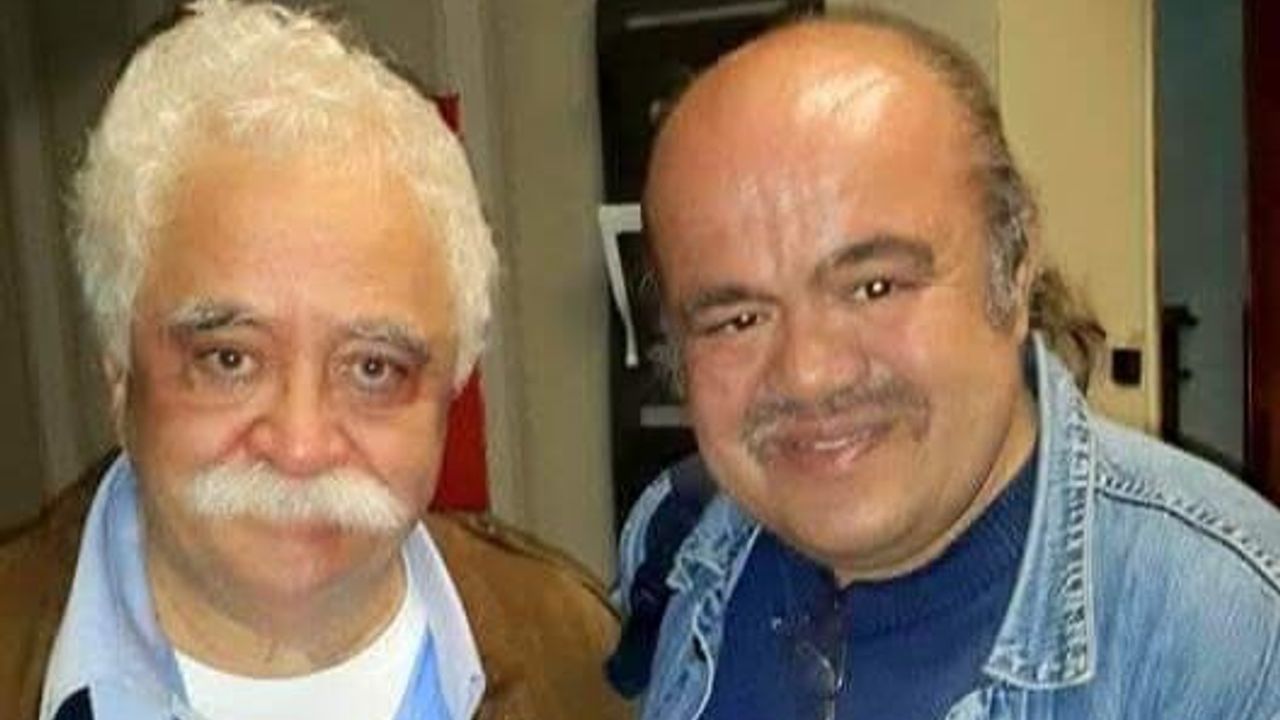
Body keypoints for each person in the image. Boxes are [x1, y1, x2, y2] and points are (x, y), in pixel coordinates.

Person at [612, 9, 1280, 720]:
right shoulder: (681, 542)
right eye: (738, 320)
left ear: (1012, 270)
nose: (808, 373)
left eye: (875, 287)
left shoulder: (1229, 636)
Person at [0, 2, 630, 718]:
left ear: (451, 389)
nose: (300, 448)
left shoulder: (585, 661)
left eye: (372, 369)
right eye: (230, 359)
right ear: (119, 372)